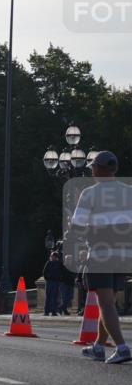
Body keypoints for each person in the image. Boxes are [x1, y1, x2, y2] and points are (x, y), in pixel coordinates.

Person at [71, 151, 132, 364]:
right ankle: (98, 346)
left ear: (98, 168)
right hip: (124, 255)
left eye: (92, 167)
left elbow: (77, 227)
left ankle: (122, 347)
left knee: (106, 304)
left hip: (100, 254)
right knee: (110, 302)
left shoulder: (89, 193)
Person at [41, 251, 65, 316]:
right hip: (52, 282)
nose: (51, 257)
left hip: (53, 282)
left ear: (54, 257)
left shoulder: (54, 263)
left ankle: (50, 311)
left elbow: (44, 272)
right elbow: (44, 272)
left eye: (52, 256)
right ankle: (49, 311)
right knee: (51, 297)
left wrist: (49, 279)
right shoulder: (51, 263)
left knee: (52, 297)